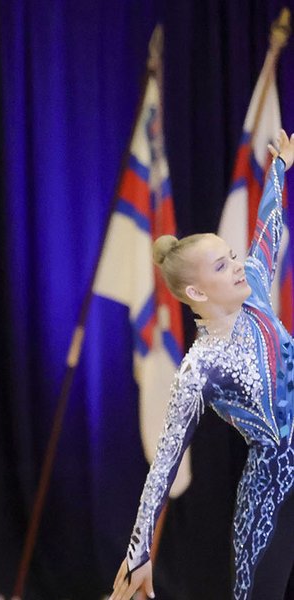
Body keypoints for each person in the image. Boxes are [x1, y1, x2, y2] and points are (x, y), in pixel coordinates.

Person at [110, 129, 294, 600]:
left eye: (231, 256)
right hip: (271, 497)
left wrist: (279, 167)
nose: (237, 265)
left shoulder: (255, 283)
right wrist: (138, 550)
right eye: (221, 266)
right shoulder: (200, 369)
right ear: (195, 292)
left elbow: (267, 226)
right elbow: (164, 464)